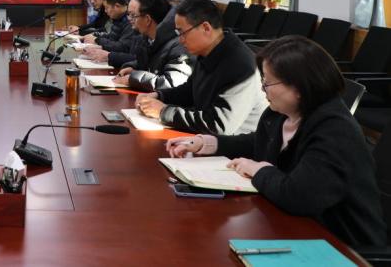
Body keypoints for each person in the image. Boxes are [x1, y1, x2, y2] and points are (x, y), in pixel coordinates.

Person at [166, 36, 387, 247]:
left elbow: (298, 196)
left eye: (268, 83)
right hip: (292, 226)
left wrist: (259, 170)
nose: (263, 89)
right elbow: (259, 141)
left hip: (341, 245)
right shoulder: (279, 113)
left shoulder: (335, 131)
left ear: (298, 87)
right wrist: (208, 143)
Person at [136, 0, 267, 135]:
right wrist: (159, 96)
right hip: (206, 139)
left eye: (182, 33)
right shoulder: (208, 50)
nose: (180, 40)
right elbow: (190, 91)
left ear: (206, 28)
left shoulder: (241, 65)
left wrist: (163, 112)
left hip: (235, 145)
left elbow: (219, 124)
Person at [112, 0, 193, 91]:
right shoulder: (148, 39)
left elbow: (170, 82)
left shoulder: (178, 45)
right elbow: (150, 64)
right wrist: (133, 68)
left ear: (147, 19)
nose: (130, 20)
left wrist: (133, 78)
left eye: (134, 16)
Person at [82, 0, 139, 67]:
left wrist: (98, 41)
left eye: (106, 7)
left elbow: (122, 47)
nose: (105, 11)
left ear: (117, 6)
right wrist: (98, 43)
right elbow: (111, 37)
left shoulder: (130, 21)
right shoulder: (118, 18)